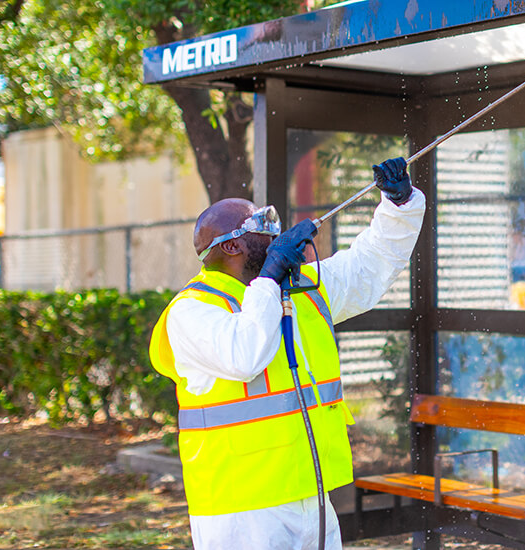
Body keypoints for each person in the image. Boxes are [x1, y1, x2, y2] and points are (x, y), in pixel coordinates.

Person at [149, 158, 424, 550]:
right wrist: (270, 276)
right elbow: (245, 356)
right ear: (232, 245)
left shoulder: (299, 289)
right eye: (263, 228)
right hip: (242, 508)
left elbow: (369, 266)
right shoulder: (191, 311)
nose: (276, 235)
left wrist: (399, 205)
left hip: (309, 492)